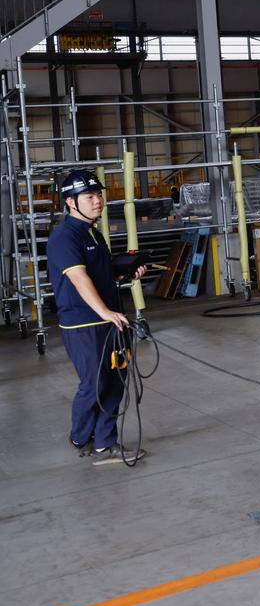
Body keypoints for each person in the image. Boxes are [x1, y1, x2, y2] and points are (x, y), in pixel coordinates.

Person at [47, 168, 145, 463]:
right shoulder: (64, 237)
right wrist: (105, 311)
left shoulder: (93, 233)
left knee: (115, 380)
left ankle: (104, 443)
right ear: (70, 202)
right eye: (89, 196)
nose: (98, 201)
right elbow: (78, 278)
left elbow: (101, 274)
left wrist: (127, 271)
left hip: (109, 320)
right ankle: (80, 436)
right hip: (85, 323)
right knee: (94, 384)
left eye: (98, 195)